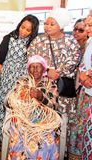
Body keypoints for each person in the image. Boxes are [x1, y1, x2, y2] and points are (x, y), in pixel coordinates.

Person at [27, 8, 80, 159]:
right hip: (42, 89)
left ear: (61, 25)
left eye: (52, 24)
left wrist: (57, 72)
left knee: (61, 122)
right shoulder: (39, 40)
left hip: (62, 91)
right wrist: (47, 70)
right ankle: (40, 152)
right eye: (46, 23)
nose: (47, 26)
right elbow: (31, 58)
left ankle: (59, 152)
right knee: (42, 119)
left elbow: (74, 59)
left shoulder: (71, 42)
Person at [6, 55, 59, 159]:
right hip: (22, 119)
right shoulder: (22, 82)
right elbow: (9, 101)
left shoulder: (49, 84)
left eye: (38, 66)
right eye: (32, 66)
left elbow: (54, 105)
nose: (35, 69)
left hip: (43, 121)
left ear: (43, 68)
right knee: (18, 134)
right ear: (28, 69)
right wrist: (20, 99)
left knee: (45, 139)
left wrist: (41, 97)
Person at [0, 15, 39, 140]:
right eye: (22, 27)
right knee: (3, 106)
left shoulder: (33, 43)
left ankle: (15, 139)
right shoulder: (8, 38)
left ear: (33, 32)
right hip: (6, 78)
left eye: (28, 30)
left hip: (22, 81)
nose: (23, 31)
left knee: (19, 108)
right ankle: (1, 138)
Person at [69, 15, 92, 159]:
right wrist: (84, 75)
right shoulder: (89, 43)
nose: (87, 30)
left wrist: (87, 74)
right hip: (85, 93)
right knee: (81, 130)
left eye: (82, 29)